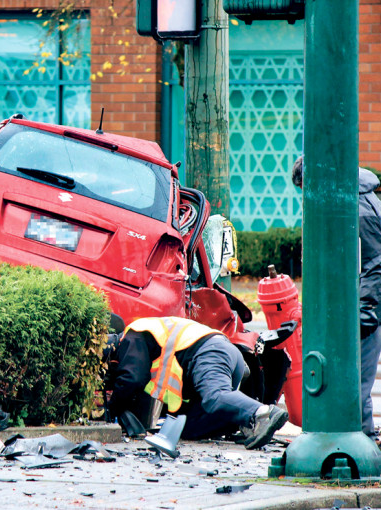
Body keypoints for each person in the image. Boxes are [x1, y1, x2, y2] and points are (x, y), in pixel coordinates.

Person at [292, 155, 381, 437]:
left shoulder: (359, 209)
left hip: (366, 309)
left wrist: (365, 315)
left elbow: (374, 264)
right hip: (360, 306)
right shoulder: (351, 200)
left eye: (307, 187)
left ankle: (363, 444)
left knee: (357, 383)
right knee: (355, 381)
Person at [106, 316, 288, 449]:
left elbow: (132, 378)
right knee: (187, 430)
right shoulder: (144, 348)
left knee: (214, 396)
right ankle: (245, 422)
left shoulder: (132, 335)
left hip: (210, 352)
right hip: (222, 354)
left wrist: (111, 412)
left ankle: (264, 413)